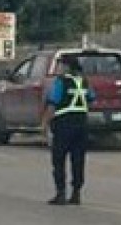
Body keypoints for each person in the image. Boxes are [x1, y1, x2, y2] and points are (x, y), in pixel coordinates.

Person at [41, 54, 95, 205]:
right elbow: (91, 99)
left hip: (64, 125)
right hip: (82, 125)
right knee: (78, 160)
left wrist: (44, 124)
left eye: (60, 65)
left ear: (67, 67)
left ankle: (61, 193)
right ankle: (76, 193)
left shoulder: (60, 82)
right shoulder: (84, 81)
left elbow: (52, 104)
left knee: (58, 159)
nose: (58, 68)